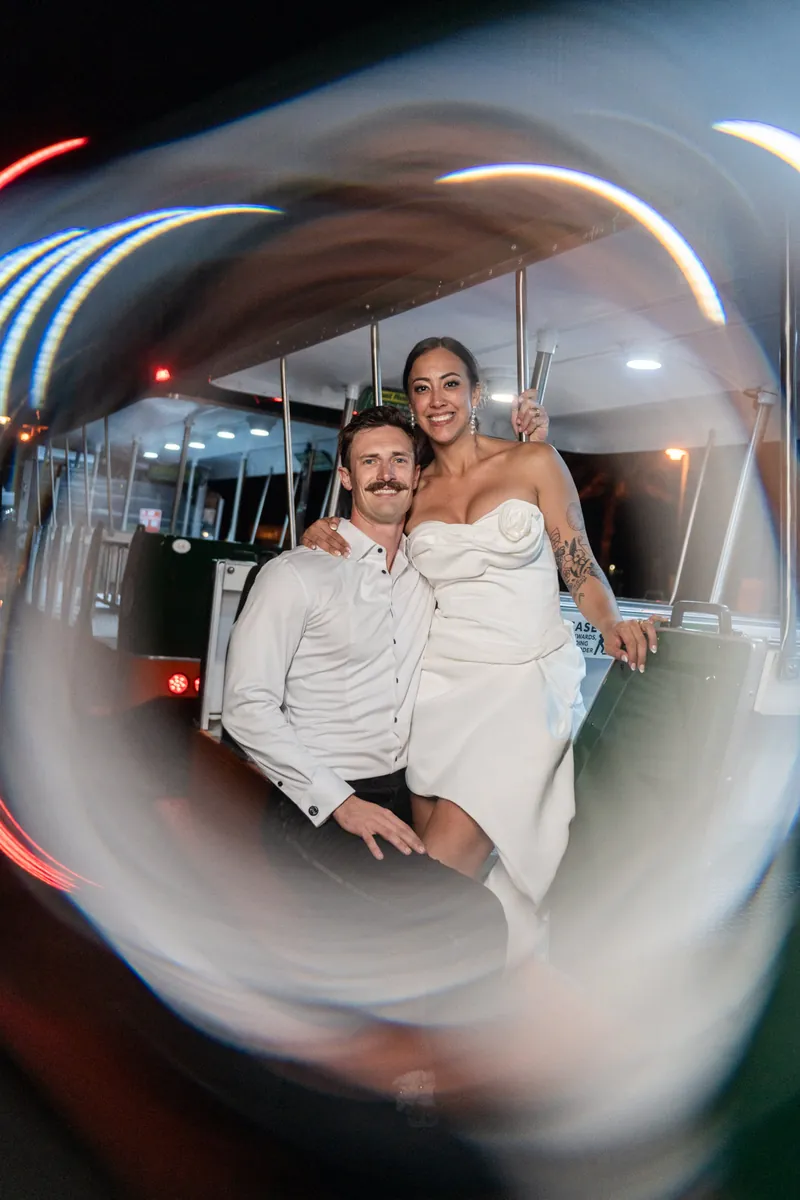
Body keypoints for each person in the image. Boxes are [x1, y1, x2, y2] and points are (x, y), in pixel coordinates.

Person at [302, 336, 659, 961]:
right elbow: (368, 520)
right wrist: (322, 527)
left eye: (449, 383)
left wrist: (610, 623)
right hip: (438, 690)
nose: (436, 399)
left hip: (522, 685)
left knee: (438, 868)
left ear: (474, 393)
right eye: (421, 388)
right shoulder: (413, 489)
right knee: (421, 853)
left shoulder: (534, 462)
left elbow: (578, 564)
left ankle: (386, 997)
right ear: (411, 403)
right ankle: (463, 996)